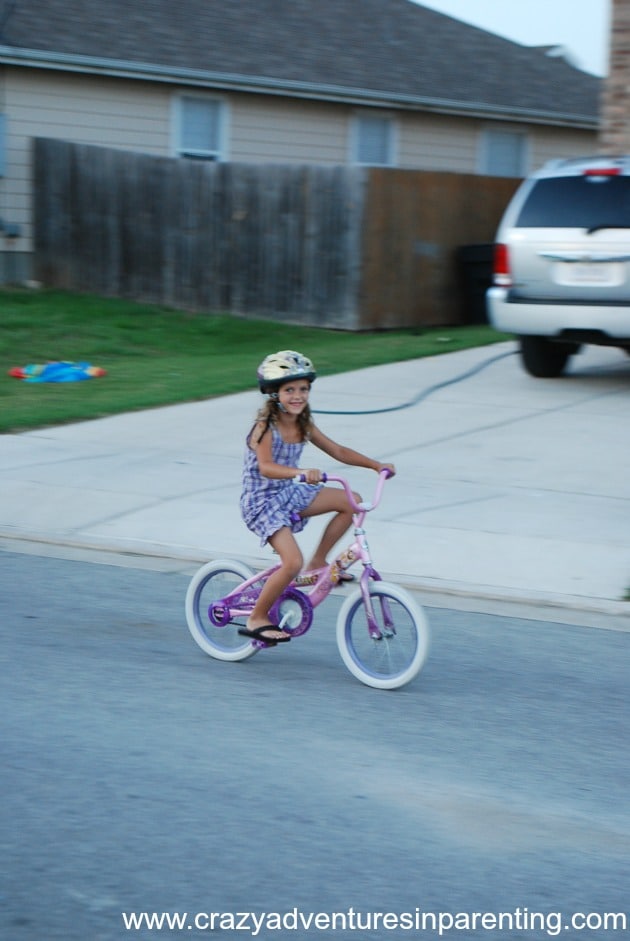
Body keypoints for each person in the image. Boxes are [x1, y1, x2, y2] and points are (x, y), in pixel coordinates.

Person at [239, 350, 395, 646]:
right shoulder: (265, 427)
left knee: (352, 501)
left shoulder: (303, 424)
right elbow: (265, 467)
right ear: (274, 394)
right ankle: (257, 617)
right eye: (289, 390)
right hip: (262, 503)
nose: (298, 396)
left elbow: (338, 451)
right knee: (291, 562)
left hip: (289, 492)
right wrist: (300, 471)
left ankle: (319, 562)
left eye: (303, 389)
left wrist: (376, 465)